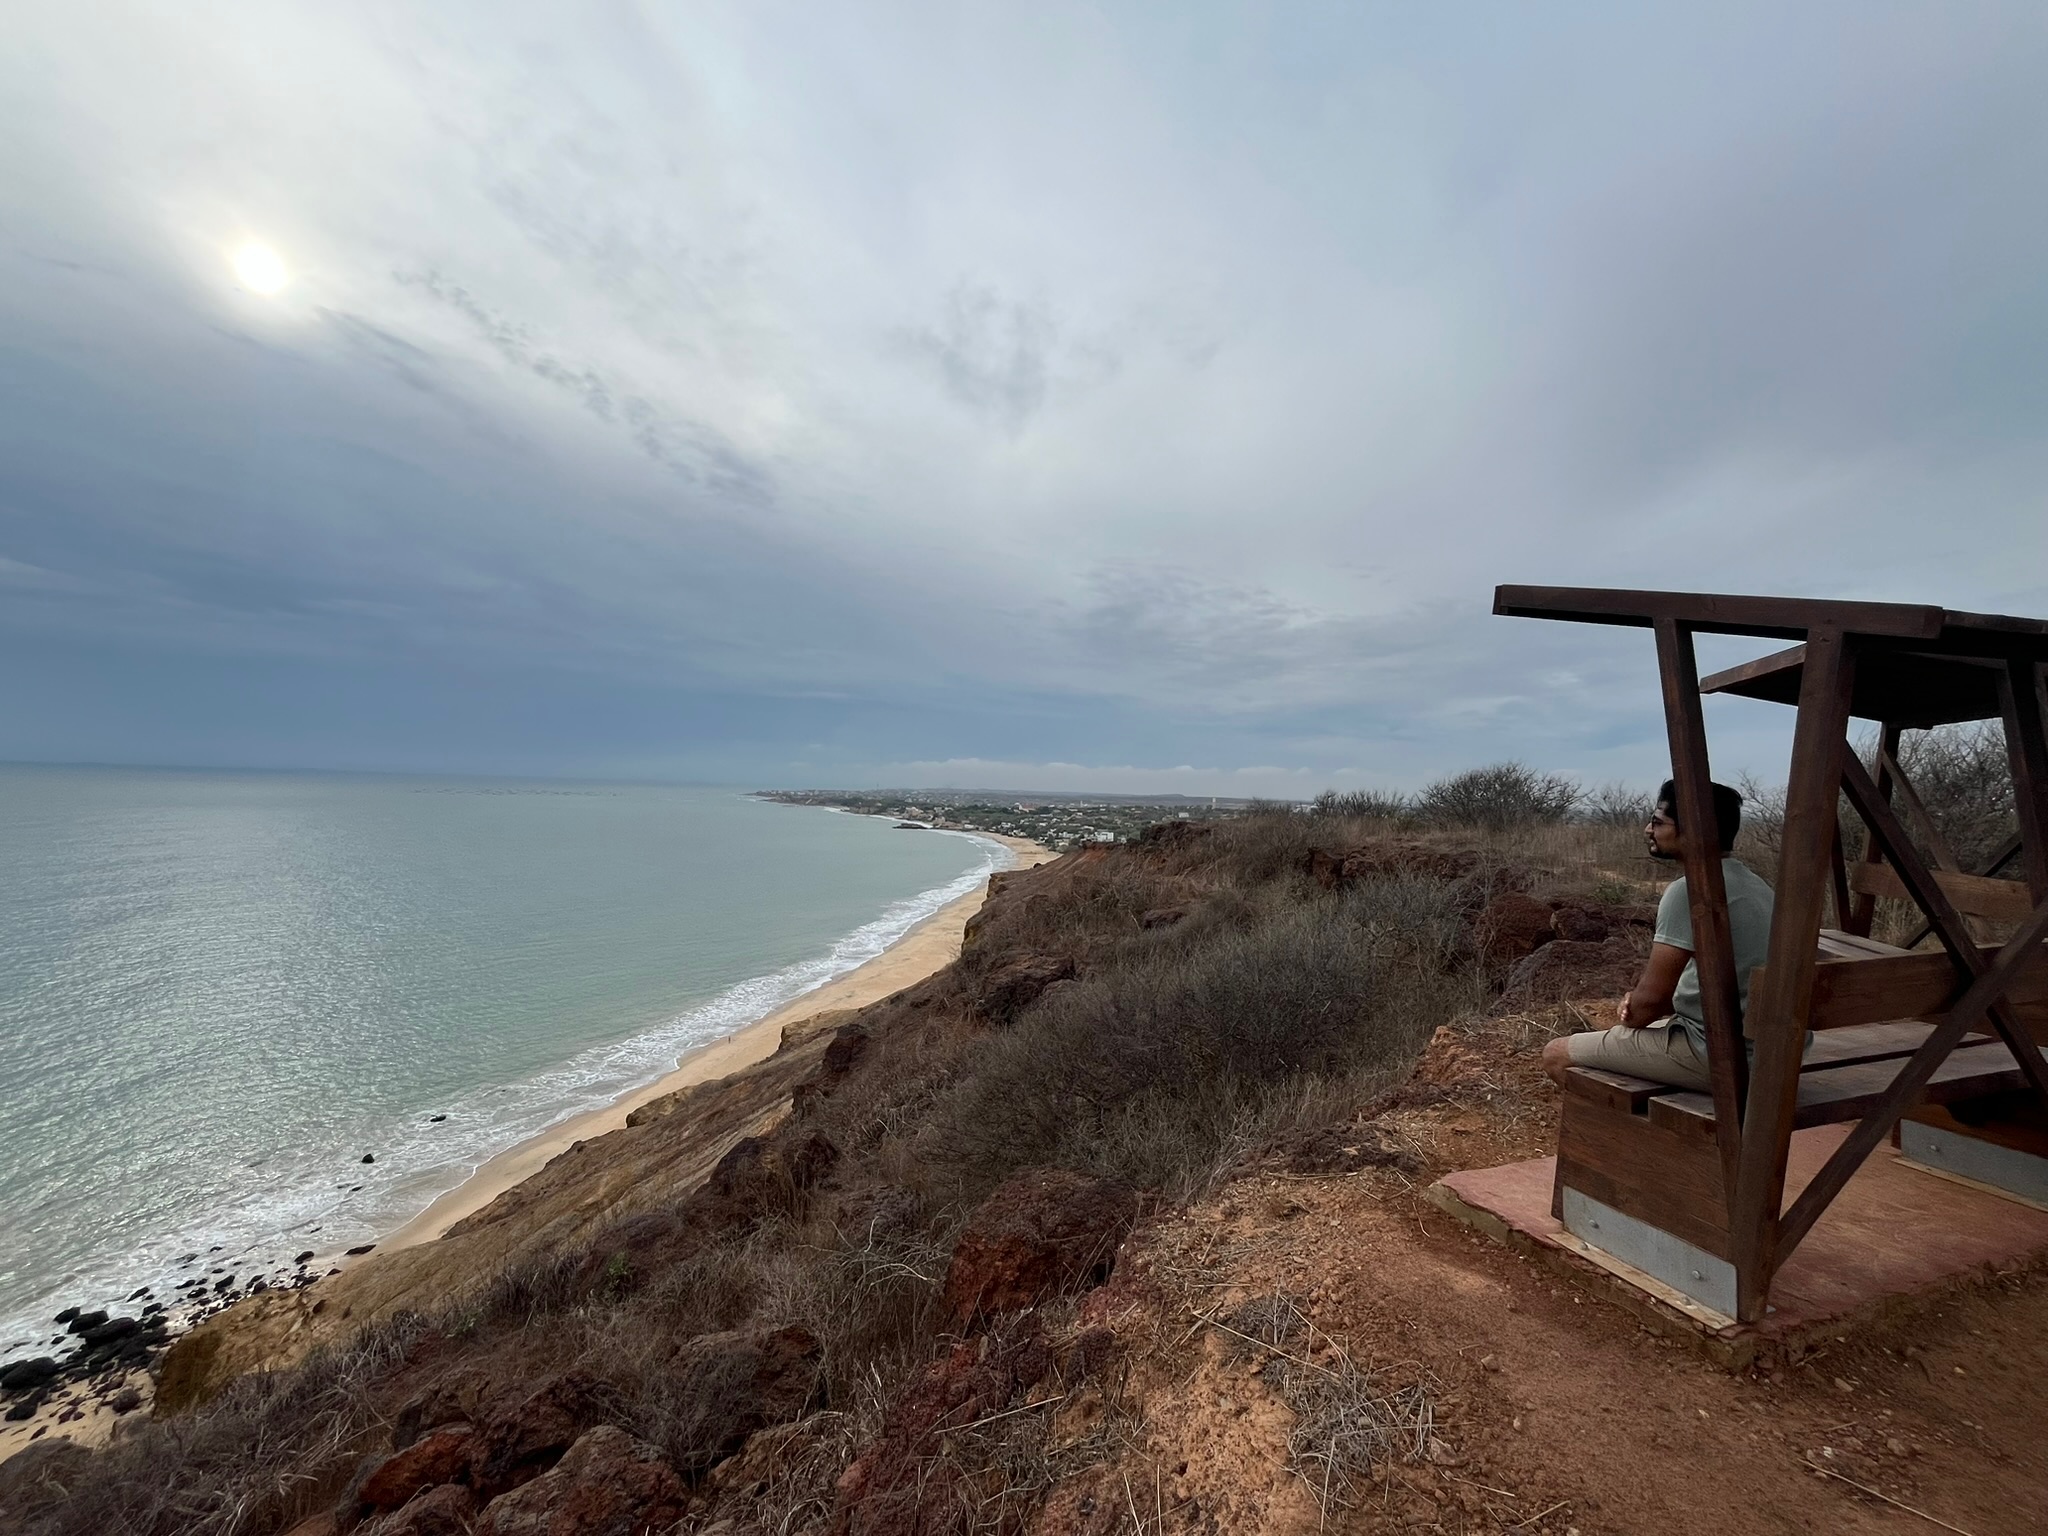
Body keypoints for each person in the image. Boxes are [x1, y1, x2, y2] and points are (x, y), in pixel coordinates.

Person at [1540, 779, 1775, 1091]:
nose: (1648, 830)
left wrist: (1634, 1008)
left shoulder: (1689, 891)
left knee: (1556, 1053)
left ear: (1693, 829)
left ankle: (1624, 1137)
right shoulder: (1759, 886)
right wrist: (1647, 1004)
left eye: (1657, 822)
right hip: (1771, 1051)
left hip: (1719, 1055)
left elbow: (1647, 1006)